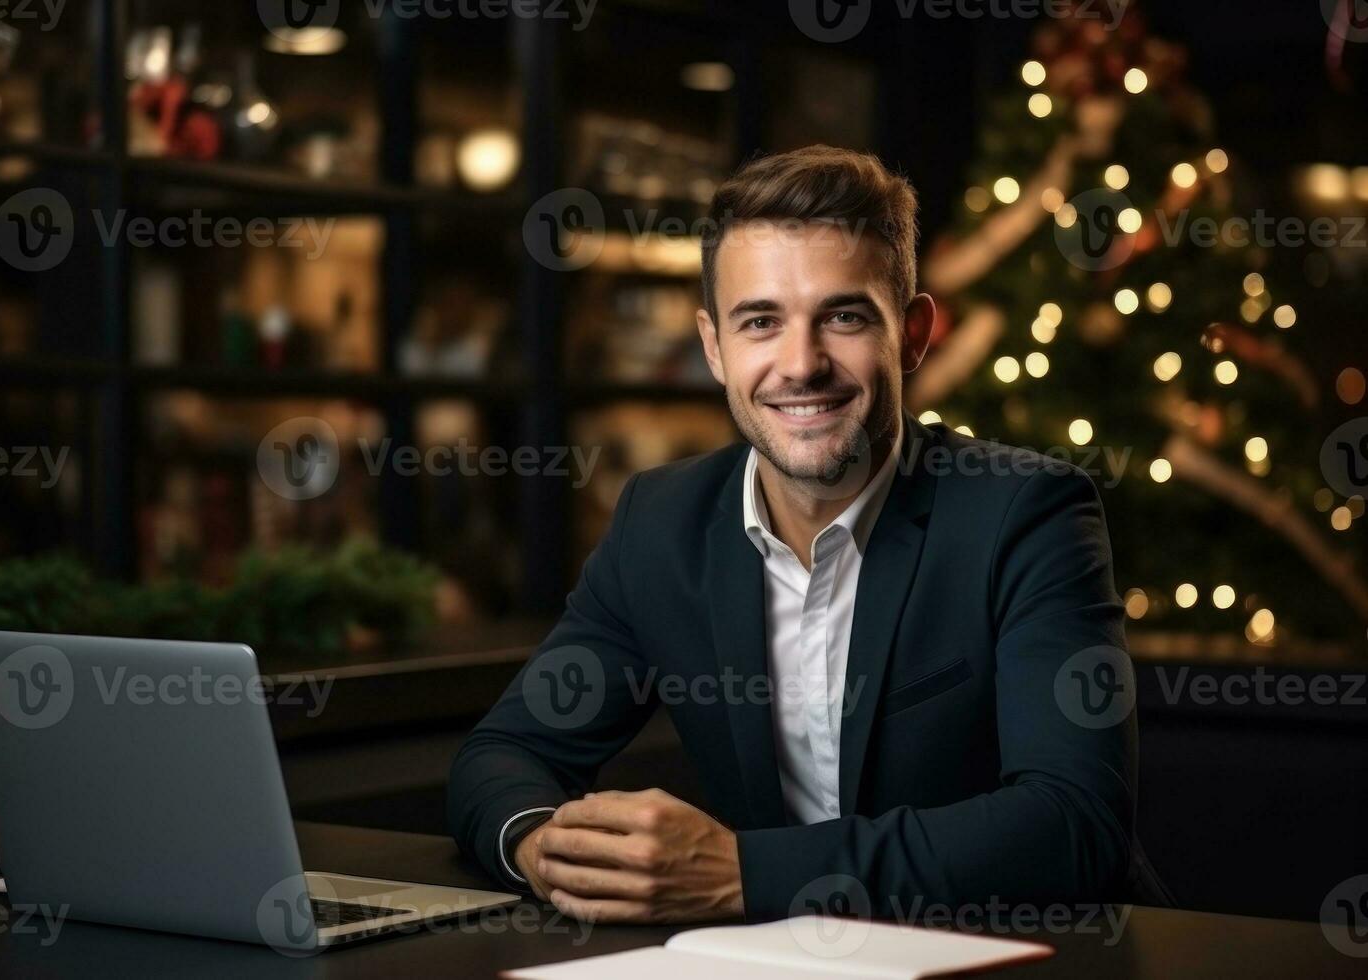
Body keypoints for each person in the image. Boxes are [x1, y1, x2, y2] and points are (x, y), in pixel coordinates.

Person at [448, 145, 1152, 924]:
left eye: (844, 317)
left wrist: (742, 873)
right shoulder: (662, 523)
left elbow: (1072, 826)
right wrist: (540, 846)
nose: (801, 364)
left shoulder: (1026, 513)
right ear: (714, 347)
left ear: (913, 334)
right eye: (760, 322)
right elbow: (503, 756)